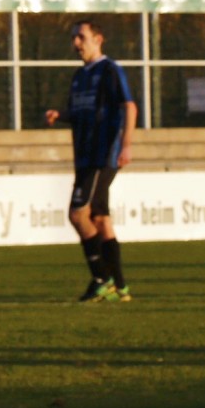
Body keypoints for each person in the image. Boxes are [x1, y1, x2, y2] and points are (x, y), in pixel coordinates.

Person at [43, 19, 136, 302]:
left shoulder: (109, 70)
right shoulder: (78, 76)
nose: (76, 43)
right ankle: (120, 286)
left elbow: (129, 106)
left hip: (102, 154)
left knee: (77, 214)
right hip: (83, 155)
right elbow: (82, 112)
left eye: (81, 37)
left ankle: (100, 277)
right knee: (99, 218)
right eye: (74, 38)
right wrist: (61, 116)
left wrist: (126, 145)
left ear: (98, 39)